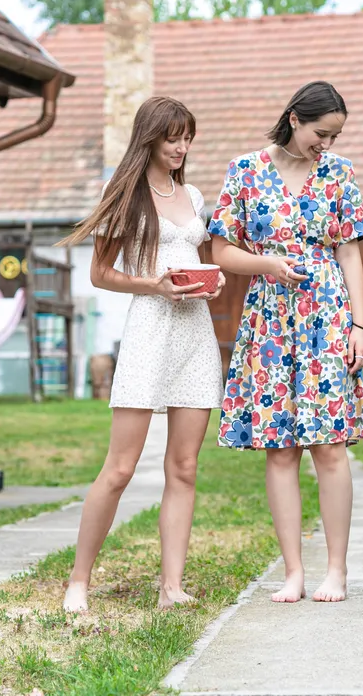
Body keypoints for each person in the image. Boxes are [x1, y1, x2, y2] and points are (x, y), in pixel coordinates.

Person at [58, 95, 226, 612]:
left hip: (195, 332)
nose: (181, 146)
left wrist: (209, 284)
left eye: (187, 137)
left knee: (185, 466)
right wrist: (152, 287)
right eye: (172, 137)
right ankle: (79, 581)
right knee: (121, 468)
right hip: (150, 330)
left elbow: (196, 254)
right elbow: (99, 274)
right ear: (149, 138)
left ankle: (171, 586)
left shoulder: (193, 194)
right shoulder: (125, 193)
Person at [208, 80, 363, 604]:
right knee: (280, 450)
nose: (327, 144)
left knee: (330, 447)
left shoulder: (340, 173)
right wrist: (266, 265)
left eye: (336, 136)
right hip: (270, 318)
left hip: (327, 315)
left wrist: (360, 326)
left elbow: (349, 255)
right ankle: (294, 573)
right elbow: (220, 252)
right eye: (321, 133)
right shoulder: (245, 171)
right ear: (296, 118)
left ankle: (336, 571)